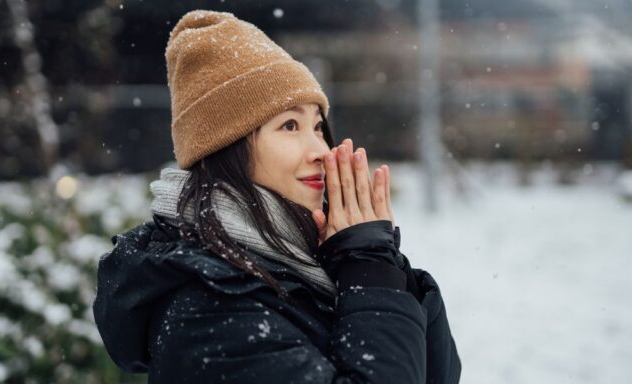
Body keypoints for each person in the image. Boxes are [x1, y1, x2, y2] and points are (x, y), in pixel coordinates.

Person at [93, 10, 461, 383]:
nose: (320, 148)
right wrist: (370, 275)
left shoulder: (306, 259)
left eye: (318, 126)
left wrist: (380, 265)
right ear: (227, 147)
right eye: (290, 125)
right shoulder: (209, 313)